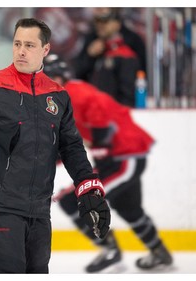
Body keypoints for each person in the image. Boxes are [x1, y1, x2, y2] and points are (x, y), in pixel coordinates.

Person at [0, 17, 111, 274]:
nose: (21, 51)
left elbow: (71, 147)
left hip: (40, 209)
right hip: (1, 207)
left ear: (45, 50)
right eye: (17, 44)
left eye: (29, 45)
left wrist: (88, 188)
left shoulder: (57, 95)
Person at [44, 54, 173, 273]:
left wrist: (98, 151)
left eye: (46, 79)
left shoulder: (73, 94)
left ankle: (109, 247)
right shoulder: (67, 94)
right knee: (129, 208)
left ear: (59, 77)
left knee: (73, 200)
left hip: (124, 158)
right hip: (123, 156)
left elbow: (100, 120)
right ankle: (160, 252)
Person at [73, 8, 144, 107]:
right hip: (94, 107)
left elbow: (129, 92)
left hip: (114, 109)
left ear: (117, 24)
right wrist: (89, 56)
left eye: (105, 20)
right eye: (97, 21)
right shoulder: (91, 40)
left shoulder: (130, 44)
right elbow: (78, 75)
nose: (100, 25)